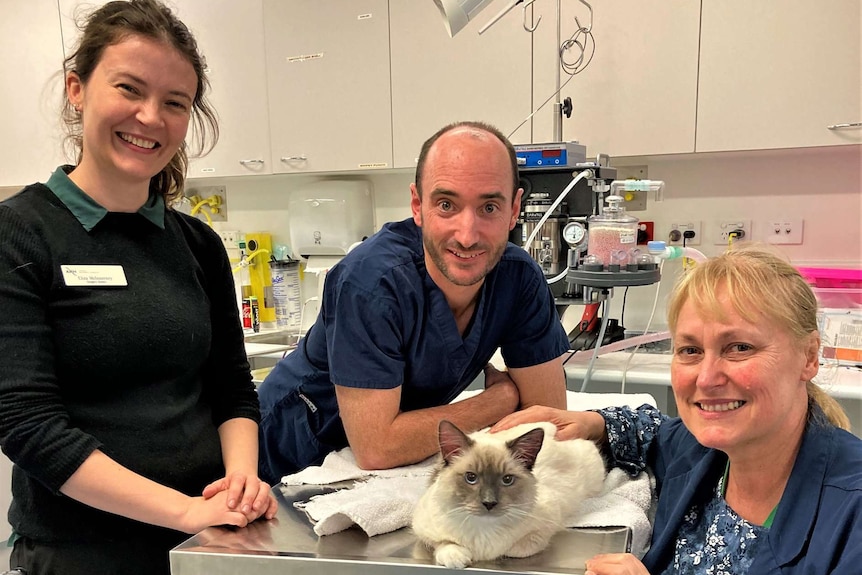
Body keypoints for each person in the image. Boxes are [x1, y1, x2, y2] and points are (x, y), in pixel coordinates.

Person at [0, 2, 277, 573]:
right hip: (81, 552)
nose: (151, 117)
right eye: (130, 89)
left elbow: (231, 387)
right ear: (77, 90)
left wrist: (242, 482)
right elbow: (27, 425)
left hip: (207, 544)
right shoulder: (20, 234)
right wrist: (180, 510)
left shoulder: (197, 243)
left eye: (175, 103)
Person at [492, 245, 862, 574]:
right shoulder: (702, 452)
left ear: (809, 356)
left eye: (739, 348)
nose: (707, 378)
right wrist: (593, 423)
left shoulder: (850, 516)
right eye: (690, 350)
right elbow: (652, 432)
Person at [257, 121, 570, 482]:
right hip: (287, 457)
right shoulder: (371, 283)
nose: (467, 236)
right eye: (447, 205)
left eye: (488, 208)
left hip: (390, 469)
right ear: (418, 206)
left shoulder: (518, 280)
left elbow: (548, 418)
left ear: (514, 209)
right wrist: (496, 402)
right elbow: (377, 448)